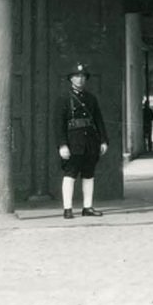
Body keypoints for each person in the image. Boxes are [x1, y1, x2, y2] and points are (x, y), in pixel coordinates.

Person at [56, 62, 108, 219]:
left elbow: (99, 121)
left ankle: (87, 207)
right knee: (70, 174)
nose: (80, 79)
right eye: (76, 76)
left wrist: (103, 140)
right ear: (70, 79)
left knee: (88, 174)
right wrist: (62, 145)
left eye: (82, 76)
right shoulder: (63, 99)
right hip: (73, 143)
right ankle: (67, 209)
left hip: (90, 142)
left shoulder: (91, 99)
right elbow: (58, 124)